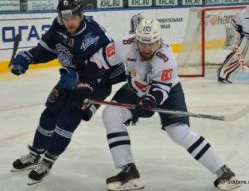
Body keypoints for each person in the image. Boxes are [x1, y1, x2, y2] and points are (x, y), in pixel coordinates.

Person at [89, 17, 239, 191]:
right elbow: (97, 61)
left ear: (158, 40)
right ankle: (128, 171)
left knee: (178, 132)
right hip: (136, 87)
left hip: (167, 92)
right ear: (135, 39)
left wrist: (149, 101)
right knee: (111, 114)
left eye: (151, 44)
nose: (146, 48)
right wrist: (83, 83)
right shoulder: (124, 45)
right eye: (142, 43)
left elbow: (161, 89)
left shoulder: (166, 58)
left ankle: (224, 172)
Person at [10, 0, 125, 185]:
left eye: (73, 17)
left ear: (81, 15)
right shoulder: (58, 27)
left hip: (97, 82)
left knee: (67, 120)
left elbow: (110, 66)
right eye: (65, 18)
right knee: (49, 113)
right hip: (71, 78)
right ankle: (35, 154)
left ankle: (48, 161)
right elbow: (46, 49)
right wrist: (28, 57)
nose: (69, 22)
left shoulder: (94, 34)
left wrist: (87, 83)